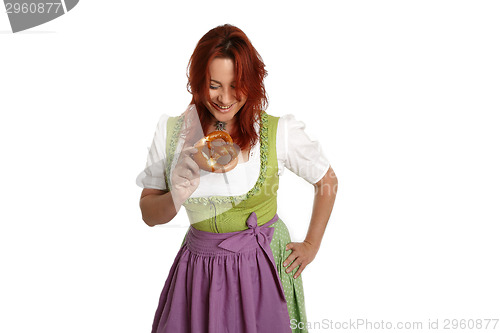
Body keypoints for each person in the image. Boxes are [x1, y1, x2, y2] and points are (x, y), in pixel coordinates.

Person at [136, 24, 338, 333]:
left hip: (264, 267)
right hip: (199, 273)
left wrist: (311, 245)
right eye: (214, 85)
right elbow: (149, 215)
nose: (226, 98)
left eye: (237, 85)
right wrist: (176, 193)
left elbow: (327, 181)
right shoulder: (171, 133)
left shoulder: (277, 131)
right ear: (197, 81)